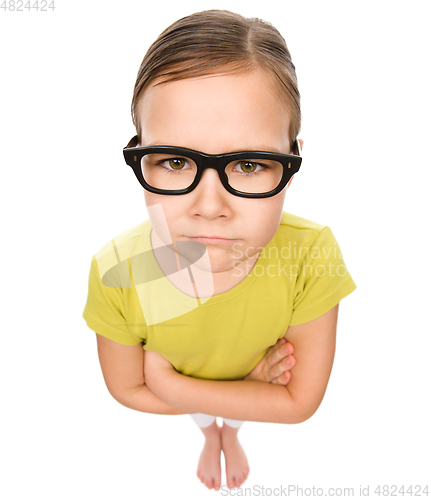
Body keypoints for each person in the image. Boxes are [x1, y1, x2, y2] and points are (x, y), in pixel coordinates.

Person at [82, 9, 357, 492]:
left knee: (227, 417)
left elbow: (299, 405)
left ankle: (226, 430)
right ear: (140, 150)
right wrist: (249, 389)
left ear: (292, 161)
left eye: (250, 163)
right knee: (208, 419)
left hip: (192, 386)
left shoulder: (312, 254)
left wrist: (174, 385)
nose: (209, 207)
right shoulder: (120, 271)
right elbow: (126, 391)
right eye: (173, 160)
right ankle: (214, 433)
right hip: (240, 389)